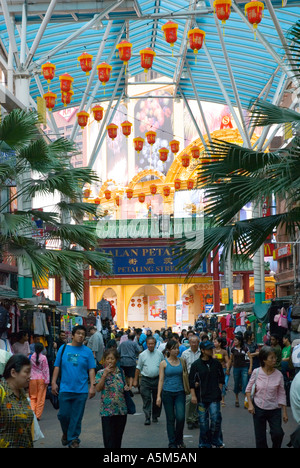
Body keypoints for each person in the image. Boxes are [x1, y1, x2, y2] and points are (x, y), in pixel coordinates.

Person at [51, 325, 96, 448]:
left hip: (81, 390)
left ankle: (73, 439)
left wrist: (92, 386)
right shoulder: (63, 348)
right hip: (65, 389)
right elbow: (57, 366)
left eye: (83, 334)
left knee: (76, 416)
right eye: (78, 333)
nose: (81, 336)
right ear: (73, 335)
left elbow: (91, 369)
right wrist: (53, 382)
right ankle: (66, 433)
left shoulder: (87, 351)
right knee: (63, 415)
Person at [245, 346, 288, 448]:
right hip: (258, 408)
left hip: (274, 409)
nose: (275, 360)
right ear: (264, 360)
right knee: (260, 438)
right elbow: (248, 389)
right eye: (271, 358)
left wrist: (285, 412)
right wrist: (250, 405)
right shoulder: (256, 372)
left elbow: (282, 393)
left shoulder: (279, 375)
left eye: (275, 357)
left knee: (278, 433)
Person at [95, 348, 128, 448]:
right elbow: (98, 388)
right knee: (109, 438)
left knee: (118, 438)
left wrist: (126, 387)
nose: (110, 361)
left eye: (112, 359)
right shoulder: (100, 373)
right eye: (108, 358)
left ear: (116, 360)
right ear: (105, 360)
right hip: (107, 410)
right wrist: (105, 375)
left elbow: (124, 386)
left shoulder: (120, 372)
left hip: (121, 409)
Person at [156, 340, 186, 448]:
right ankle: (172, 443)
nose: (176, 350)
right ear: (168, 350)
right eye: (174, 348)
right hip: (167, 393)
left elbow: (185, 376)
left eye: (177, 348)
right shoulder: (163, 363)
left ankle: (179, 439)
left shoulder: (182, 361)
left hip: (180, 393)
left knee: (181, 417)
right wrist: (158, 396)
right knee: (170, 419)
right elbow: (161, 380)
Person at [0, 354, 34, 448]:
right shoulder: (1, 392)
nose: (29, 376)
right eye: (27, 372)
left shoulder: (22, 392)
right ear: (13, 372)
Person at [133, 336, 164, 425]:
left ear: (155, 344)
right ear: (146, 344)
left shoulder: (159, 354)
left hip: (157, 379)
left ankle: (155, 415)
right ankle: (147, 416)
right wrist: (135, 380)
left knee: (157, 398)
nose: (151, 345)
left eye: (152, 344)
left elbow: (163, 366)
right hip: (145, 380)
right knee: (146, 398)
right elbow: (138, 368)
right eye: (149, 344)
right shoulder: (142, 355)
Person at [228, 333, 252, 408]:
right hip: (236, 368)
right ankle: (237, 399)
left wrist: (250, 368)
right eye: (234, 340)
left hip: (244, 367)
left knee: (245, 383)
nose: (234, 342)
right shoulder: (233, 350)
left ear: (240, 341)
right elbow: (231, 360)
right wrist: (228, 368)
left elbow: (250, 358)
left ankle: (246, 401)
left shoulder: (245, 349)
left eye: (236, 340)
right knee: (236, 383)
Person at [181, 335, 201, 429]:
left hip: (200, 378)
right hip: (189, 378)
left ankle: (196, 418)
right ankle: (189, 419)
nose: (194, 344)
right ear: (189, 343)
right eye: (192, 342)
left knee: (199, 399)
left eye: (195, 342)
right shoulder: (185, 353)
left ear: (198, 342)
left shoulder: (201, 353)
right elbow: (183, 367)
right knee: (189, 399)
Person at [29, 342, 50, 420]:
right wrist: (47, 381)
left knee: (33, 397)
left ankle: (32, 413)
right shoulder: (43, 358)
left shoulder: (30, 357)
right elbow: (45, 370)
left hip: (32, 379)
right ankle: (38, 415)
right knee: (40, 398)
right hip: (41, 379)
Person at [213, 337, 230, 406]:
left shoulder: (224, 351)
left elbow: (227, 361)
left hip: (222, 369)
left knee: (222, 384)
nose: (214, 343)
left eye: (216, 342)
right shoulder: (212, 350)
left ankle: (222, 399)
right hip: (214, 369)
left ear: (219, 343)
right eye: (214, 342)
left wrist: (228, 368)